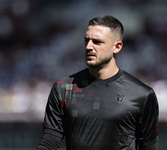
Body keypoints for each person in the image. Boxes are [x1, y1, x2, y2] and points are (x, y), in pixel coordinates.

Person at [37, 15, 159, 150]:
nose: (89, 46)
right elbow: (49, 143)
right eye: (86, 40)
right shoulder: (64, 89)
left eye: (97, 42)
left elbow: (148, 146)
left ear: (117, 47)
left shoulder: (141, 95)